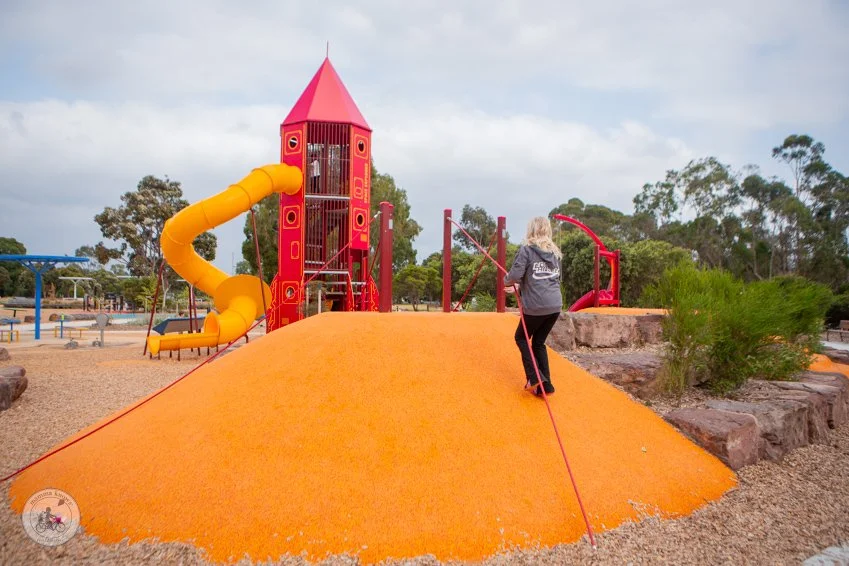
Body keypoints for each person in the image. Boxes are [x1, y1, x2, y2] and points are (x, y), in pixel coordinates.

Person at [504, 217, 563, 396]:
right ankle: (547, 385)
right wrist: (521, 286)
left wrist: (506, 281)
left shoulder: (526, 250)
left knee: (521, 338)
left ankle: (534, 377)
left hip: (536, 307)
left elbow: (514, 275)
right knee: (538, 343)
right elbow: (550, 279)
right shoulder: (555, 253)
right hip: (554, 306)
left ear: (531, 230)